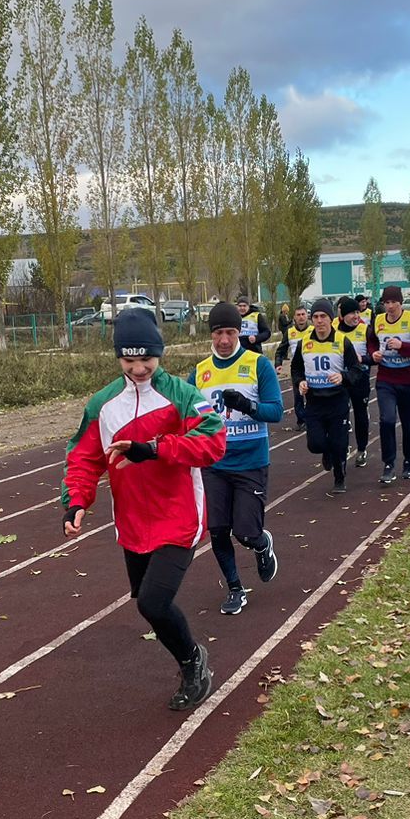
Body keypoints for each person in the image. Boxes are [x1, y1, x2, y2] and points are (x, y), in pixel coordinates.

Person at [62, 308, 227, 711]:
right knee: (148, 603)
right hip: (133, 523)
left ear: (160, 353)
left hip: (179, 518)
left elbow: (214, 441)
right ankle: (191, 657)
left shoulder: (183, 396)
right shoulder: (102, 404)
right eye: (128, 360)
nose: (138, 368)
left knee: (152, 602)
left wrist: (155, 448)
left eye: (146, 359)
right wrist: (76, 501)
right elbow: (83, 458)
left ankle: (193, 664)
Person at [193, 302, 283, 614]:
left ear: (240, 332)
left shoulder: (258, 364)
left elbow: (276, 411)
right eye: (219, 333)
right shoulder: (201, 372)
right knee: (217, 530)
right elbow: (190, 417)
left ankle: (261, 544)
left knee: (245, 532)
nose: (224, 340)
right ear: (211, 335)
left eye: (231, 332)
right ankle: (235, 588)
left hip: (250, 462)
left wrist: (247, 405)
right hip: (214, 465)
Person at [291, 297, 364, 495]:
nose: (319, 320)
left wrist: (343, 376)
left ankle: (339, 477)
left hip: (337, 400)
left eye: (323, 316)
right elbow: (296, 369)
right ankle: (326, 453)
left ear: (331, 319)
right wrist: (300, 383)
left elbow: (357, 370)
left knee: (339, 442)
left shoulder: (342, 341)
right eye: (315, 316)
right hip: (314, 400)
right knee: (315, 444)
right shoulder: (304, 343)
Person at [366, 285, 410, 484]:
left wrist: (403, 346)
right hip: (386, 379)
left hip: (409, 379)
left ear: (400, 303)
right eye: (386, 302)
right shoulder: (378, 320)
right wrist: (373, 353)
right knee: (386, 420)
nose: (390, 306)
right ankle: (388, 464)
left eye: (393, 302)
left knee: (408, 423)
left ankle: (409, 460)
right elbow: (370, 342)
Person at [335, 295, 373, 467]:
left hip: (360, 379)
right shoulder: (334, 331)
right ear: (342, 316)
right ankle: (342, 447)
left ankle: (362, 448)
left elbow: (374, 355)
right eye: (352, 313)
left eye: (358, 312)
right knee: (340, 415)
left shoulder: (366, 330)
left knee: (360, 414)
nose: (356, 316)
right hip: (341, 380)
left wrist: (363, 358)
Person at [274, 304, 312, 430]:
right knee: (298, 397)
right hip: (297, 369)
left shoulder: (313, 330)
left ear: (307, 316)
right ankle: (301, 421)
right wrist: (278, 364)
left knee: (313, 396)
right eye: (298, 315)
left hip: (312, 367)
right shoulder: (290, 332)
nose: (301, 317)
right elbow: (281, 350)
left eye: (303, 314)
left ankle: (313, 419)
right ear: (294, 317)